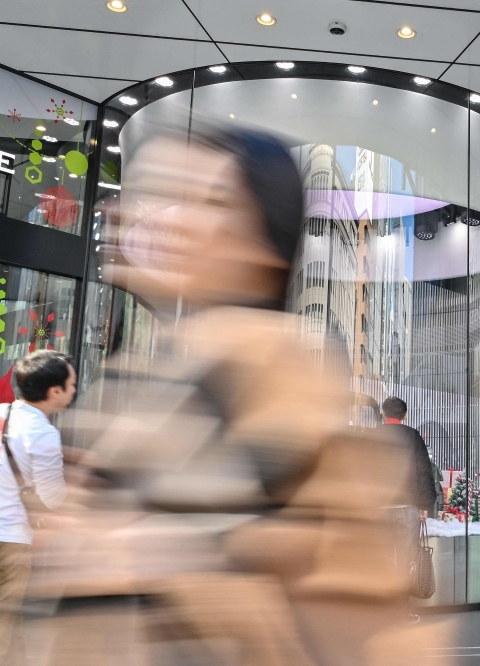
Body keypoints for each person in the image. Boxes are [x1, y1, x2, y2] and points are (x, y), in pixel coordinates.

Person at [55, 125, 450, 665]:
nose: (158, 218)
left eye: (203, 200)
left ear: (263, 238)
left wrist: (142, 555)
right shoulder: (155, 365)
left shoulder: (272, 369)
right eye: (154, 194)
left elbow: (343, 591)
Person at [0, 350, 74, 665]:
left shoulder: (2, 413)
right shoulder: (43, 432)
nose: (73, 390)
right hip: (11, 540)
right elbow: (53, 497)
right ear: (54, 392)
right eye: (71, 385)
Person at [375, 397, 437, 519]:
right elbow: (423, 471)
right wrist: (425, 504)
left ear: (383, 413)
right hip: (407, 508)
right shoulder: (413, 436)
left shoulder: (371, 436)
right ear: (405, 416)